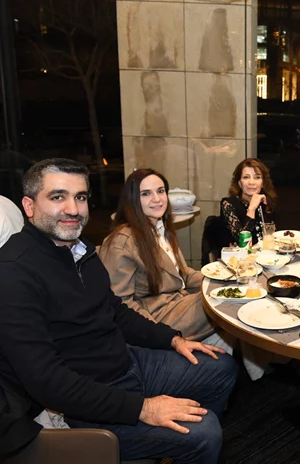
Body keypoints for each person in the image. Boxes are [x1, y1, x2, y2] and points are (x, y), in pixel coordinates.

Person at [0, 159, 237, 463]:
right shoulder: (14, 271)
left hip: (126, 363)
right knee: (205, 432)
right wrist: (143, 408)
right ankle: (181, 443)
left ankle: (174, 445)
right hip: (85, 399)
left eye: (80, 197)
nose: (73, 209)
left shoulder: (79, 249)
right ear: (29, 206)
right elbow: (48, 381)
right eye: (58, 197)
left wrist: (172, 339)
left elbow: (116, 311)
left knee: (221, 367)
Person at [99, 168, 233, 350]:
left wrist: (224, 279)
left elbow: (184, 275)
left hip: (179, 302)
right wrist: (159, 335)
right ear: (132, 200)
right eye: (146, 193)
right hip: (158, 317)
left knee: (234, 294)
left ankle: (249, 366)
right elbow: (120, 304)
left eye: (160, 191)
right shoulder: (123, 240)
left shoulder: (161, 229)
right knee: (228, 301)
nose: (157, 199)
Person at [221, 158, 277, 245]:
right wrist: (251, 209)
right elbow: (242, 243)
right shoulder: (228, 204)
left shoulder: (266, 202)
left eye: (257, 177)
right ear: (239, 183)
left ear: (262, 183)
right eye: (246, 177)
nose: (251, 182)